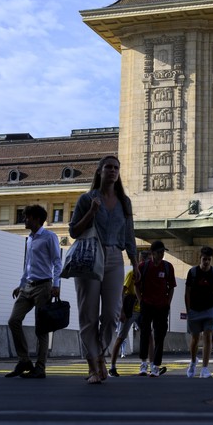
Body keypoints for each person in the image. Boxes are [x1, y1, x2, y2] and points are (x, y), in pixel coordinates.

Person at [69, 155, 138, 384]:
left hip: (115, 258)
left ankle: (99, 354)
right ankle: (93, 365)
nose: (112, 171)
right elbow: (73, 232)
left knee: (111, 315)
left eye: (116, 167)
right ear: (99, 171)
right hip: (90, 256)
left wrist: (135, 263)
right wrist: (91, 212)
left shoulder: (124, 202)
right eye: (108, 167)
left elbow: (129, 235)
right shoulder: (86, 199)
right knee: (88, 315)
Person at [6, 205, 61, 380]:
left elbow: (57, 261)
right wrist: (21, 284)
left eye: (27, 217)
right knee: (14, 320)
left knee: (41, 329)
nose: (24, 220)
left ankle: (40, 367)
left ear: (37, 219)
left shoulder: (49, 237)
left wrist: (56, 284)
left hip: (44, 286)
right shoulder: (29, 239)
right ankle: (24, 361)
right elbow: (28, 264)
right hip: (27, 286)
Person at [136, 240, 176, 377]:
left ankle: (155, 366)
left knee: (160, 336)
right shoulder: (143, 267)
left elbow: (171, 287)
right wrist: (141, 300)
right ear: (153, 253)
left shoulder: (168, 267)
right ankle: (143, 363)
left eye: (163, 252)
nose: (161, 254)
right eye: (159, 252)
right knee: (145, 334)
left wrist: (168, 302)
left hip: (162, 306)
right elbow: (136, 285)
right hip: (146, 305)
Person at [184, 246, 213, 378]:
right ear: (200, 258)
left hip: (209, 310)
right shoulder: (193, 272)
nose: (206, 262)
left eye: (209, 259)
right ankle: (193, 362)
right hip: (194, 310)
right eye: (204, 259)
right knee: (195, 338)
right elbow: (187, 292)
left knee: (207, 336)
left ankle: (205, 368)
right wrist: (188, 310)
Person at [109, 250, 146, 377]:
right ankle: (112, 366)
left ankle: (145, 365)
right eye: (145, 261)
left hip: (141, 310)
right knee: (121, 337)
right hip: (130, 310)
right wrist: (122, 311)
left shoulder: (147, 275)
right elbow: (122, 293)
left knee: (147, 336)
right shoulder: (132, 274)